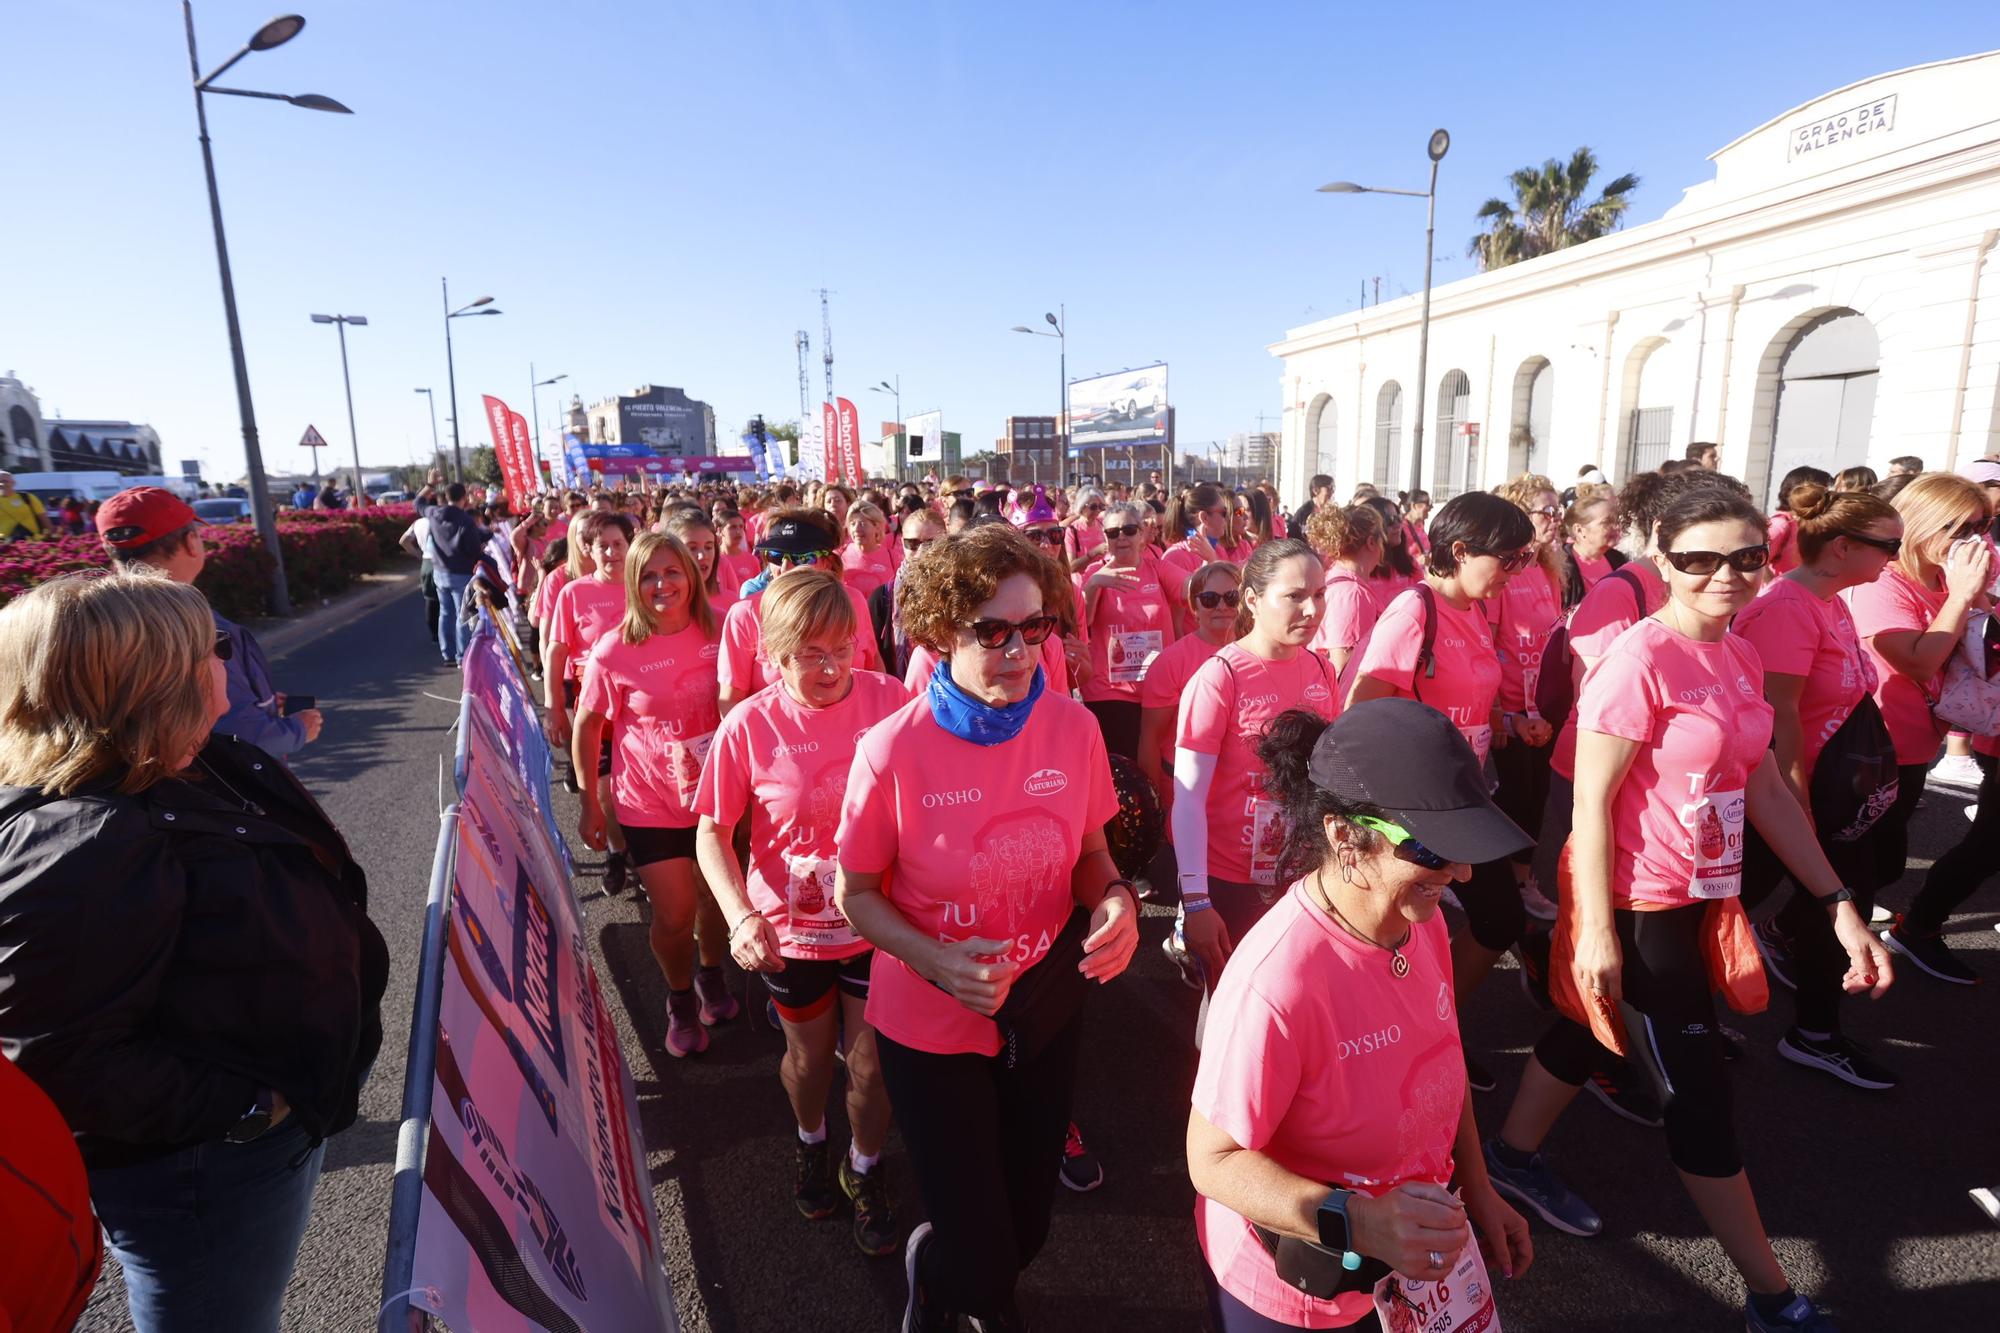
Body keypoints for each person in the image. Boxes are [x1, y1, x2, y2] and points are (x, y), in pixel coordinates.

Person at [0, 573, 387, 1333]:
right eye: (213, 651)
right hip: (203, 1164)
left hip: (257, 1133)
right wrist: (248, 1109)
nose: (232, 665)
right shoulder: (84, 842)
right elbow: (61, 1061)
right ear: (155, 682)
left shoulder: (195, 759)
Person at [1551, 484, 1891, 1333]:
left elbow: (1765, 785)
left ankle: (1514, 1153)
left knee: (1588, 1023)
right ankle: (1774, 1297)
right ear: (1662, 558)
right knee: (1696, 1096)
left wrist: (1838, 903)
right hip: (1638, 901)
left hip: (1705, 892)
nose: (1725, 575)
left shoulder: (1739, 653)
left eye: (1745, 557)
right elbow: (1589, 802)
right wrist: (1596, 929)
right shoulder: (1637, 660)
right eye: (1699, 559)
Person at [834, 523, 1141, 1333]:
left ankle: (976, 1281)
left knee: (1029, 1227)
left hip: (1043, 1009)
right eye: (991, 631)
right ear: (940, 631)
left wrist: (1116, 900)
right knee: (980, 1253)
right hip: (930, 1025)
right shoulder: (890, 750)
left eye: (1033, 627)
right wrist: (937, 959)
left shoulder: (1073, 728)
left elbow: (1091, 854)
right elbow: (855, 893)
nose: (1017, 650)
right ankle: (941, 1277)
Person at [1187, 699, 1533, 1333]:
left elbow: (1443, 1061)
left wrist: (1478, 1188)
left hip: (1403, 1269)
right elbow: (1211, 1160)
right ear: (1345, 835)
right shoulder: (1277, 983)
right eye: (1434, 849)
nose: (1460, 872)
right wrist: (1360, 1219)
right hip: (1300, 1294)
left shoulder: (1416, 922)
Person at [693, 571, 910, 1256]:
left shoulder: (893, 701)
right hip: (793, 931)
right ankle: (812, 1138)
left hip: (881, 921)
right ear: (776, 654)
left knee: (872, 1064)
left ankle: (865, 1167)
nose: (831, 667)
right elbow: (710, 831)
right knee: (810, 1061)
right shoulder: (749, 725)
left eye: (842, 647)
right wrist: (739, 916)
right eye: (810, 653)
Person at [1345, 492, 1533, 1094]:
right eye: (1508, 557)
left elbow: (1472, 703)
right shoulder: (1413, 611)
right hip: (1417, 807)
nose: (1515, 571)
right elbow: (1359, 716)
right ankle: (1407, 1040)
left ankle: (1432, 1028)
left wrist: (1509, 723)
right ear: (1460, 551)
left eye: (1524, 558)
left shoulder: (1475, 610)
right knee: (1411, 928)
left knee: (1494, 919)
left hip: (1466, 799)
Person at [1734, 482, 1904, 1086]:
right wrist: (1797, 804)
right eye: (1889, 544)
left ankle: (1810, 1025)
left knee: (1826, 896)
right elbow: (1778, 719)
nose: (1896, 556)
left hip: (1827, 792)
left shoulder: (1829, 598)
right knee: (1727, 905)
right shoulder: (1787, 608)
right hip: (1788, 793)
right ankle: (1652, 1018)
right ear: (1840, 546)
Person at [573, 530, 737, 1054]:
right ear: (632, 583)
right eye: (648, 575)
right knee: (674, 912)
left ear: (692, 572)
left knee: (714, 903)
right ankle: (680, 995)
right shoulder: (615, 648)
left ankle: (711, 972)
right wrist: (587, 802)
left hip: (717, 798)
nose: (662, 584)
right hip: (650, 803)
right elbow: (587, 725)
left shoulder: (725, 624)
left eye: (672, 571)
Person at [1174, 541, 1334, 1023]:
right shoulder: (1218, 677)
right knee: (1234, 1013)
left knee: (1296, 1005)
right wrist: (1196, 900)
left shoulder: (1321, 667)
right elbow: (1186, 801)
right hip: (1231, 881)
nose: (1312, 609)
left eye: (1321, 594)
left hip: (1301, 875)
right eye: (1295, 596)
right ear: (1251, 599)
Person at [1845, 472, 1995, 983]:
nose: (1974, 539)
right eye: (1961, 527)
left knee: (1882, 866)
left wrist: (1976, 600)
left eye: (1985, 524)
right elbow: (1917, 662)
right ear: (1925, 524)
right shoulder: (1883, 582)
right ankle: (1792, 938)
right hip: (1871, 745)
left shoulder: (1942, 578)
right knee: (1860, 869)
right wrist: (1964, 596)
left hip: (1916, 745)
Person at [96, 487, 323, 760]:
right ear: (191, 542)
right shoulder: (198, 629)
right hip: (211, 793)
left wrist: (258, 698)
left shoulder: (96, 621)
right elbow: (238, 734)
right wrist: (299, 729)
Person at [1488, 476, 1568, 922]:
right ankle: (1507, 881)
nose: (1555, 519)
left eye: (1557, 511)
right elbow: (1489, 643)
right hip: (1511, 710)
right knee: (1519, 797)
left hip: (1543, 707)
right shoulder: (1507, 572)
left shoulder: (1548, 568)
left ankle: (1516, 879)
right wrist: (1502, 713)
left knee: (1535, 796)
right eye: (1545, 511)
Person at [1138, 562, 1243, 895]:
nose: (1222, 606)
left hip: (1239, 797)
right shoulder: (1172, 661)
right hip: (1186, 793)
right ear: (1193, 606)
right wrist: (1154, 806)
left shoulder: (1256, 653)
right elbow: (1150, 740)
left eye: (1232, 596)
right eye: (1210, 599)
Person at [545, 510, 636, 890]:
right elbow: (555, 651)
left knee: (638, 787)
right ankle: (619, 854)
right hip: (595, 706)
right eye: (604, 546)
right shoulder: (574, 592)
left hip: (640, 704)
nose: (612, 553)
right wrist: (553, 707)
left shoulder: (643, 585)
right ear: (589, 549)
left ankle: (645, 858)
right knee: (604, 790)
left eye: (619, 545)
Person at [718, 509, 880, 716]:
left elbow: (873, 666)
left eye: (802, 558)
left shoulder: (853, 600)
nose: (786, 567)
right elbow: (730, 701)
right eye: (775, 556)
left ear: (827, 561)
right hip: (779, 744)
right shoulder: (745, 614)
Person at [1078, 500, 1177, 758]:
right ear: (1105, 539)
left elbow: (1191, 587)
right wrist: (1093, 586)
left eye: (1129, 530)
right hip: (1110, 692)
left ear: (1142, 533)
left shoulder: (1157, 569)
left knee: (1156, 768)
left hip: (1156, 687)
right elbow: (1083, 624)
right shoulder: (1094, 573)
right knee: (1124, 773)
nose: (1121, 537)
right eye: (1113, 533)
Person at [1304, 503, 1385, 677]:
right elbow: (1345, 666)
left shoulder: (1340, 581)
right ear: (1371, 542)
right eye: (1381, 537)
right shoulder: (1351, 593)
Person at [425, 482, 494, 666]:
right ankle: (461, 656)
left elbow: (418, 502)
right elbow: (473, 549)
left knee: (445, 613)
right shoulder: (465, 520)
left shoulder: (433, 513)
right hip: (460, 572)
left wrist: (430, 484)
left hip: (439, 571)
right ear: (464, 497)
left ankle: (447, 653)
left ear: (446, 497)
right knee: (461, 615)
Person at [1160, 483, 1234, 632]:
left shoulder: (1217, 548)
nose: (1228, 519)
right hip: (1194, 649)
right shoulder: (1176, 556)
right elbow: (1176, 622)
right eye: (1224, 513)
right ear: (1204, 517)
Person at [1557, 489, 1626, 609]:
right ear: (1579, 530)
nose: (1616, 526)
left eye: (1616, 521)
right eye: (1607, 522)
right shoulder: (1561, 566)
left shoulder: (1619, 560)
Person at [1765, 466, 1832, 576]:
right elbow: (1758, 562)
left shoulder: (1808, 523)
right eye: (1823, 493)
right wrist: (1776, 586)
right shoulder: (1781, 524)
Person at [1360, 495, 1419, 603]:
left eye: (1398, 518)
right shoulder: (1361, 570)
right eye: (1390, 521)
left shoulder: (1409, 564)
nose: (1397, 525)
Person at [400, 504, 442, 648]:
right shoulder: (440, 521)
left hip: (426, 562)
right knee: (447, 602)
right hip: (441, 562)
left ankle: (434, 634)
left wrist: (418, 554)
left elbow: (403, 541)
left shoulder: (418, 523)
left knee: (431, 600)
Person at [839, 500, 898, 601]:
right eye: (852, 524)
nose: (856, 529)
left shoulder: (892, 557)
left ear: (877, 527)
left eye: (862, 524)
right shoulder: (840, 554)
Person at [0, 472, 47, 541]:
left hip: (32, 542)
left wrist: (49, 537)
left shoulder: (27, 497)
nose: (1, 484)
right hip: (6, 544)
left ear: (13, 483)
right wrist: (2, 537)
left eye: (5, 481)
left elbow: (44, 519)